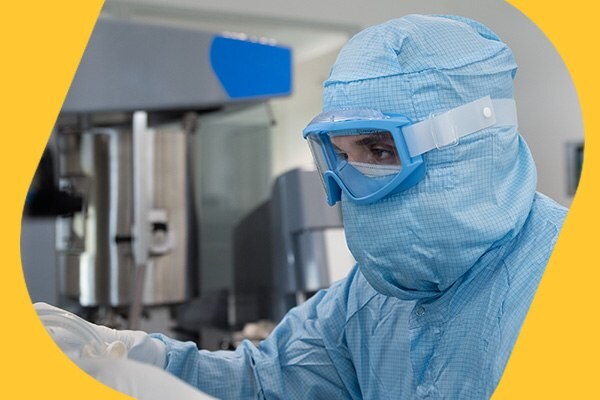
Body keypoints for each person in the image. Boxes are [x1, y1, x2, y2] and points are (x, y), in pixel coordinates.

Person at [36, 14, 567, 399]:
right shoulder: (371, 297)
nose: (349, 187)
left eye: (379, 151)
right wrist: (127, 356)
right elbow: (267, 380)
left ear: (473, 145)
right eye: (339, 156)